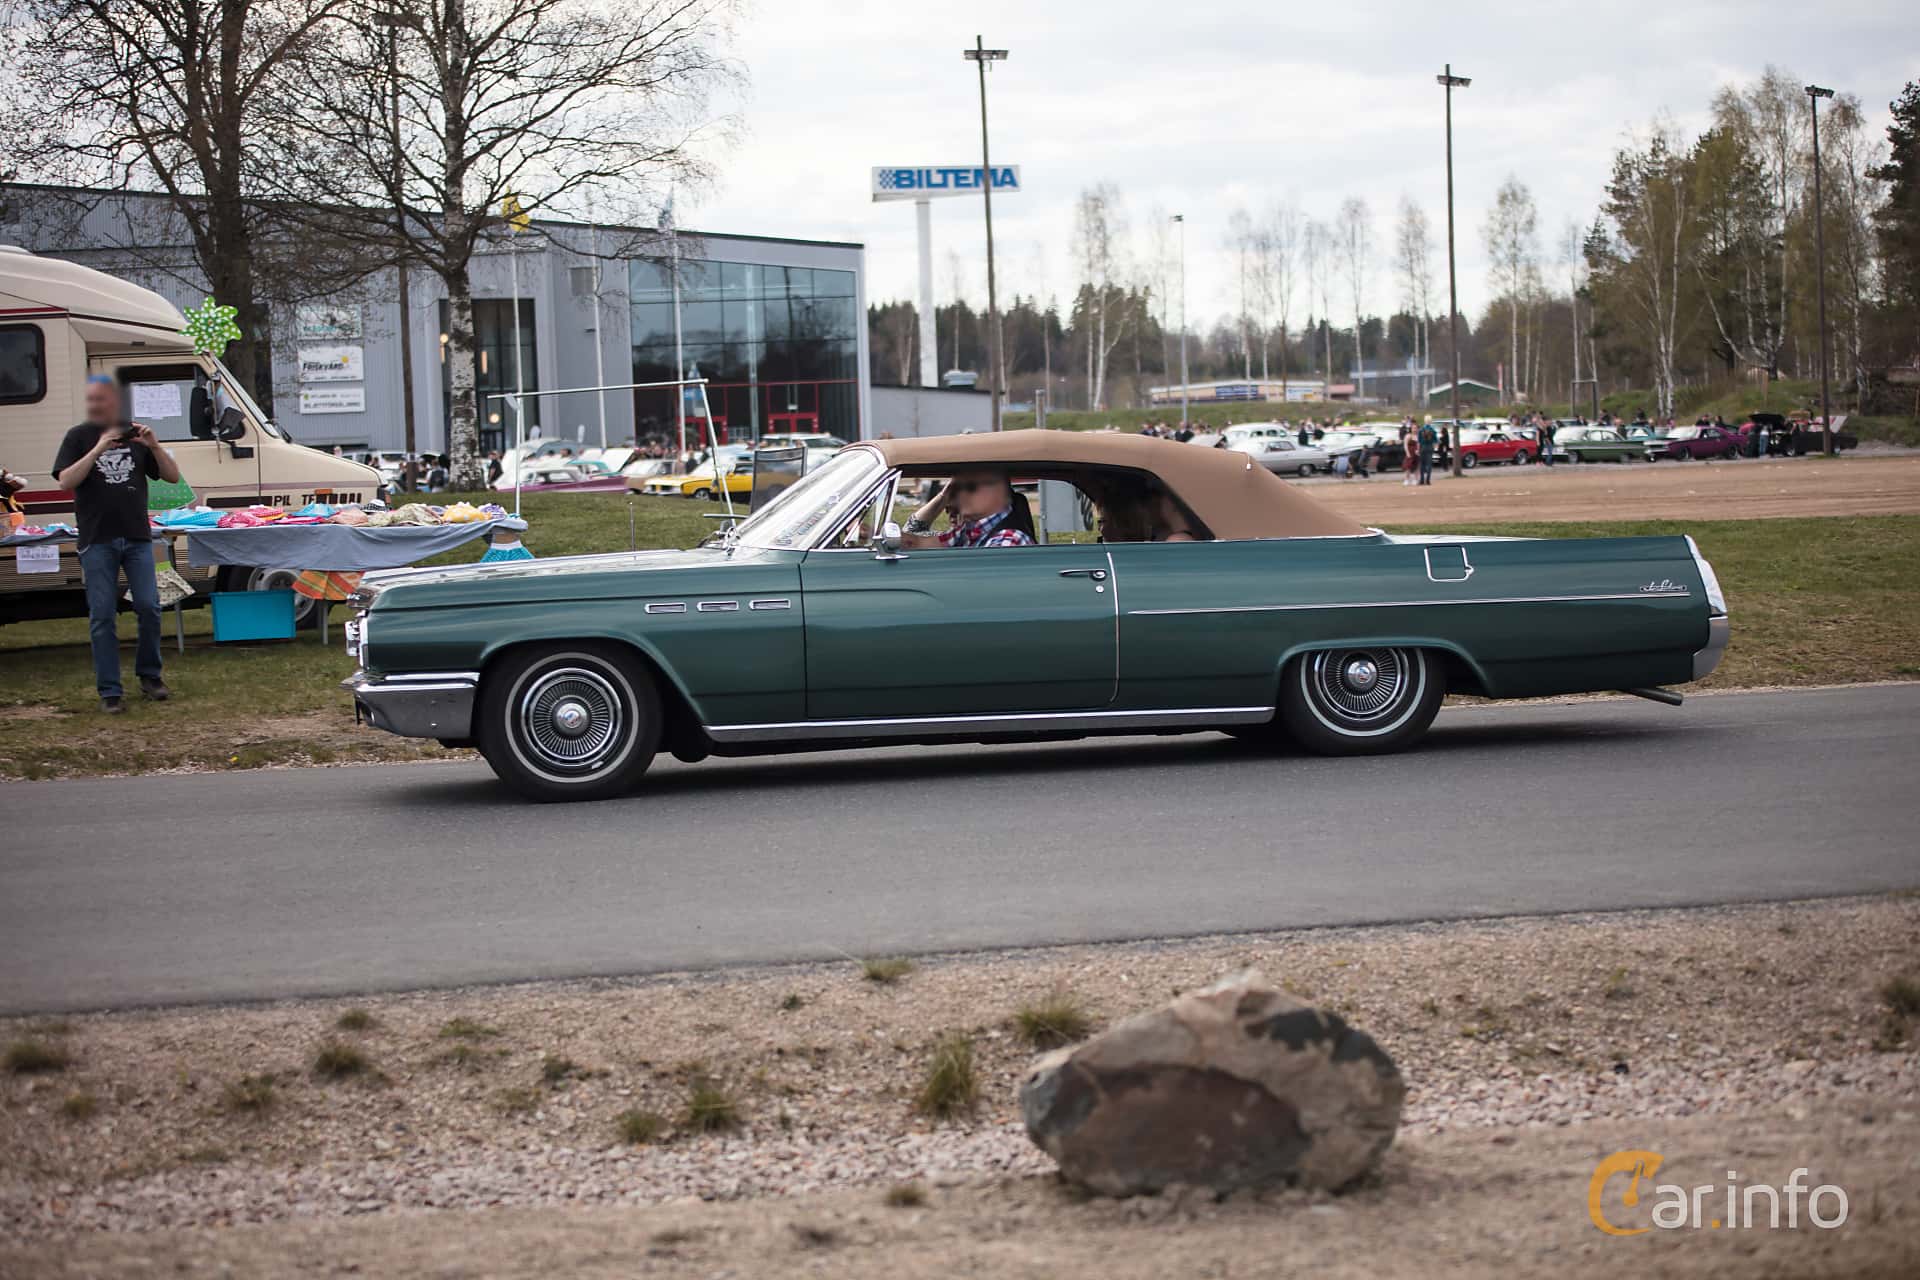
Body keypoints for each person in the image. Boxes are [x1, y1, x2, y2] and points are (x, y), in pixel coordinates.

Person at [53, 375, 181, 713]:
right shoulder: (78, 437)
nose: (97, 406)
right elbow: (66, 481)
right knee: (103, 615)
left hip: (137, 537)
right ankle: (110, 691)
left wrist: (153, 445)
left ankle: (150, 676)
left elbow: (171, 476)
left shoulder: (138, 437)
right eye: (92, 400)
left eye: (103, 400)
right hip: (97, 540)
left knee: (150, 607)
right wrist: (98, 448)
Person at [900, 469, 1036, 548]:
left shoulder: (1009, 539)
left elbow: (980, 585)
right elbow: (913, 537)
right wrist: (944, 496)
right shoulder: (968, 532)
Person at [1417, 416, 1438, 486]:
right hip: (1430, 447)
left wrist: (1418, 449)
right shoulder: (1433, 430)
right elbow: (1436, 440)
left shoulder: (1421, 430)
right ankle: (1428, 480)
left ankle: (1422, 480)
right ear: (1431, 421)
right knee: (1429, 464)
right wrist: (1434, 447)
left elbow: (1419, 441)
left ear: (1425, 421)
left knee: (1422, 464)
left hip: (1423, 447)